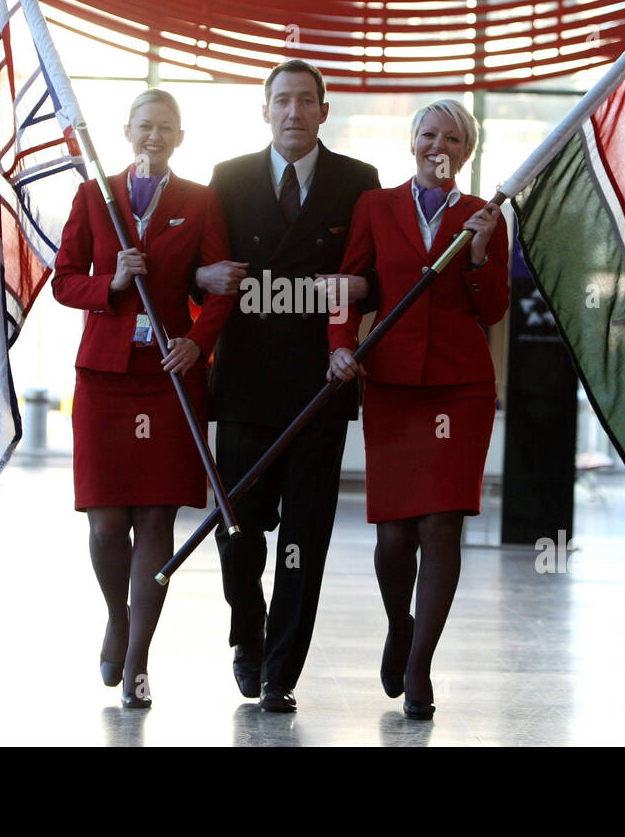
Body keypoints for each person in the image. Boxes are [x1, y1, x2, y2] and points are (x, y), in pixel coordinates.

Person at [194, 59, 380, 713]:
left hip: (319, 388)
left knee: (305, 535)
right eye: (283, 100)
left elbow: (373, 275)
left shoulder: (359, 183)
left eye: (307, 100)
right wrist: (201, 280)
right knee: (236, 530)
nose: (294, 111)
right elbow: (203, 270)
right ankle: (249, 633)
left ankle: (280, 669)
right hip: (244, 386)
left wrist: (359, 295)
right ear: (265, 110)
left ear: (323, 111)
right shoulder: (229, 178)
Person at [326, 98, 509, 720]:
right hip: (394, 384)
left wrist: (480, 256)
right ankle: (398, 625)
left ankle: (421, 664)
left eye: (453, 137)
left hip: (460, 388)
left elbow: (491, 311)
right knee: (394, 535)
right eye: (428, 133)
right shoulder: (374, 208)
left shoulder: (484, 217)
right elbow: (345, 285)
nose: (439, 145)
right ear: (411, 144)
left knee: (441, 527)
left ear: (466, 151)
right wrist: (339, 346)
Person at [51, 88, 234, 709]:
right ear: (127, 132)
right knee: (106, 522)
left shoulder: (201, 201)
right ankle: (117, 615)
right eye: (145, 125)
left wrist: (198, 342)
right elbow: (64, 281)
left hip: (168, 374)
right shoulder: (94, 194)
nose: (154, 135)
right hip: (104, 374)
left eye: (167, 127)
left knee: (157, 515)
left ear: (179, 138)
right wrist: (114, 282)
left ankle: (138, 660)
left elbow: (222, 284)